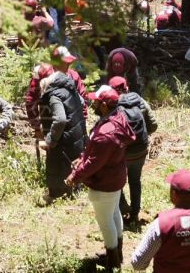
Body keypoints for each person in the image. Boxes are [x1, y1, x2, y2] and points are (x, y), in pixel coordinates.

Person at [66, 86, 136, 270]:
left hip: (104, 182)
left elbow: (94, 163)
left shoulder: (105, 133)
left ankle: (112, 261)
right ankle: (117, 254)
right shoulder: (118, 117)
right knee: (114, 214)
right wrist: (83, 157)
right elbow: (96, 155)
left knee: (105, 221)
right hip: (115, 176)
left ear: (104, 105)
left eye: (96, 102)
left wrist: (75, 176)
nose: (93, 104)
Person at [112, 76, 157, 227]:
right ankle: (135, 213)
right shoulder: (141, 101)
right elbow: (154, 125)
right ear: (127, 87)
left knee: (116, 181)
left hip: (122, 153)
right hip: (141, 150)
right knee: (135, 181)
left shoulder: (113, 105)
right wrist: (142, 134)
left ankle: (123, 209)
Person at [39, 70, 88, 202]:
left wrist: (50, 139)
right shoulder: (70, 89)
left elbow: (60, 120)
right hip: (76, 135)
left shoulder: (54, 96)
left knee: (56, 164)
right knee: (72, 164)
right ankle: (73, 191)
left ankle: (55, 195)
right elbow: (82, 103)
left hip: (64, 138)